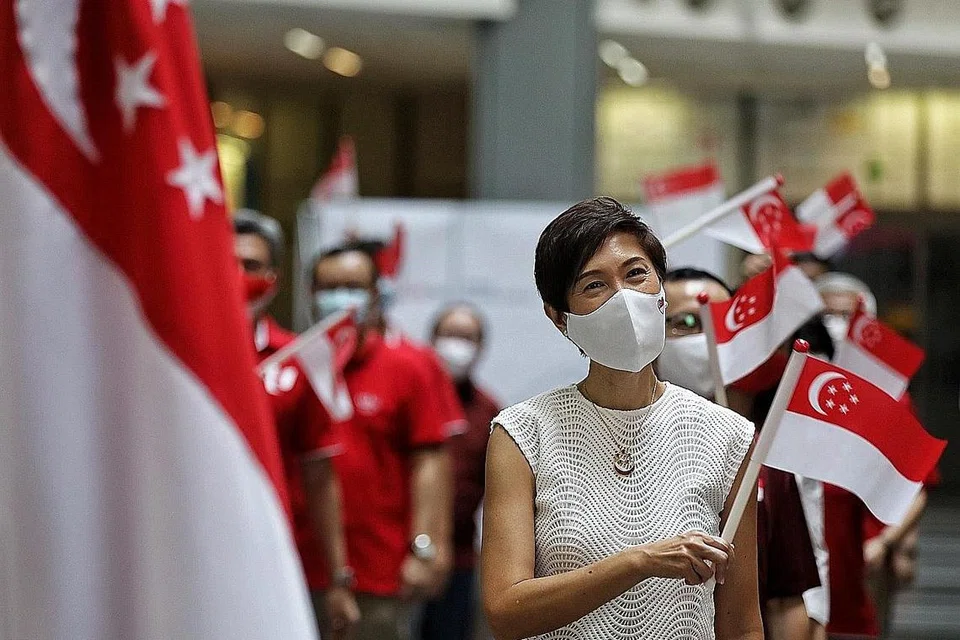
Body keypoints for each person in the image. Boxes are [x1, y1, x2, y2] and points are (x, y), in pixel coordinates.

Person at [481, 197, 762, 640]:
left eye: (635, 274)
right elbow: (504, 610)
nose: (624, 298)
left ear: (661, 290)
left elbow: (742, 623)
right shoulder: (523, 434)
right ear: (559, 317)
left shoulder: (727, 435)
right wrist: (639, 562)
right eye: (594, 285)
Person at [660, 267, 825, 640]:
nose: (707, 337)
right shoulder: (613, 443)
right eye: (687, 322)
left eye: (722, 324)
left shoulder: (760, 460)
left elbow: (787, 599)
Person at [312, 243, 454, 640]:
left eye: (353, 287)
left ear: (376, 294)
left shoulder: (411, 365)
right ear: (311, 294)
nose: (341, 298)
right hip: (303, 564)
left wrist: (426, 548)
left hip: (379, 568)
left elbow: (431, 462)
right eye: (329, 287)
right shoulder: (298, 364)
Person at [233, 210, 360, 637]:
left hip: (279, 555)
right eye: (227, 262)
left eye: (251, 264)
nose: (238, 274)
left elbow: (320, 474)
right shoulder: (176, 356)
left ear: (273, 278)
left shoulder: (298, 361)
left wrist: (338, 576)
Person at [814, 272, 929, 639]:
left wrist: (889, 543)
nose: (836, 324)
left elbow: (917, 487)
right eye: (826, 315)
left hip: (865, 557)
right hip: (808, 552)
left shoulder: (891, 396)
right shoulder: (796, 389)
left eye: (846, 315)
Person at [414, 303, 502, 640]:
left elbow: (496, 494)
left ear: (481, 347)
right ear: (432, 339)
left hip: (460, 559)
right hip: (401, 554)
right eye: (450, 334)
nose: (457, 345)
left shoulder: (489, 411)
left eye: (467, 337)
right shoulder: (412, 396)